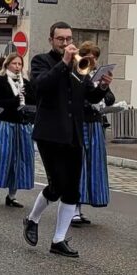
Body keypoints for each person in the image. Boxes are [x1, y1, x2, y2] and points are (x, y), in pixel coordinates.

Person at [23, 23, 112, 259]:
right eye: (60, 39)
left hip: (73, 132)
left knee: (72, 188)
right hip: (49, 133)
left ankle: (58, 239)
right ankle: (32, 219)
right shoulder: (41, 61)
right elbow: (40, 87)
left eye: (69, 38)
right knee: (57, 185)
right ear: (51, 39)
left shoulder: (79, 65)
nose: (65, 42)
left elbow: (89, 95)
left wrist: (102, 85)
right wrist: (63, 63)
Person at [73, 40, 114, 227]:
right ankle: (73, 208)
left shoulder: (96, 76)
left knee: (92, 166)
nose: (94, 60)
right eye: (90, 56)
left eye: (96, 57)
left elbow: (110, 98)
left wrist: (103, 85)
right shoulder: (78, 73)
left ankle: (81, 207)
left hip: (95, 124)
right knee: (79, 165)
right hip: (81, 123)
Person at [0, 53, 35, 207]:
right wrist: (15, 100)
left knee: (19, 160)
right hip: (5, 123)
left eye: (20, 64)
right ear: (7, 65)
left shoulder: (25, 83)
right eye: (14, 63)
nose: (17, 67)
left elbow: (34, 101)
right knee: (2, 157)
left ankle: (12, 195)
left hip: (21, 124)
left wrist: (29, 105)